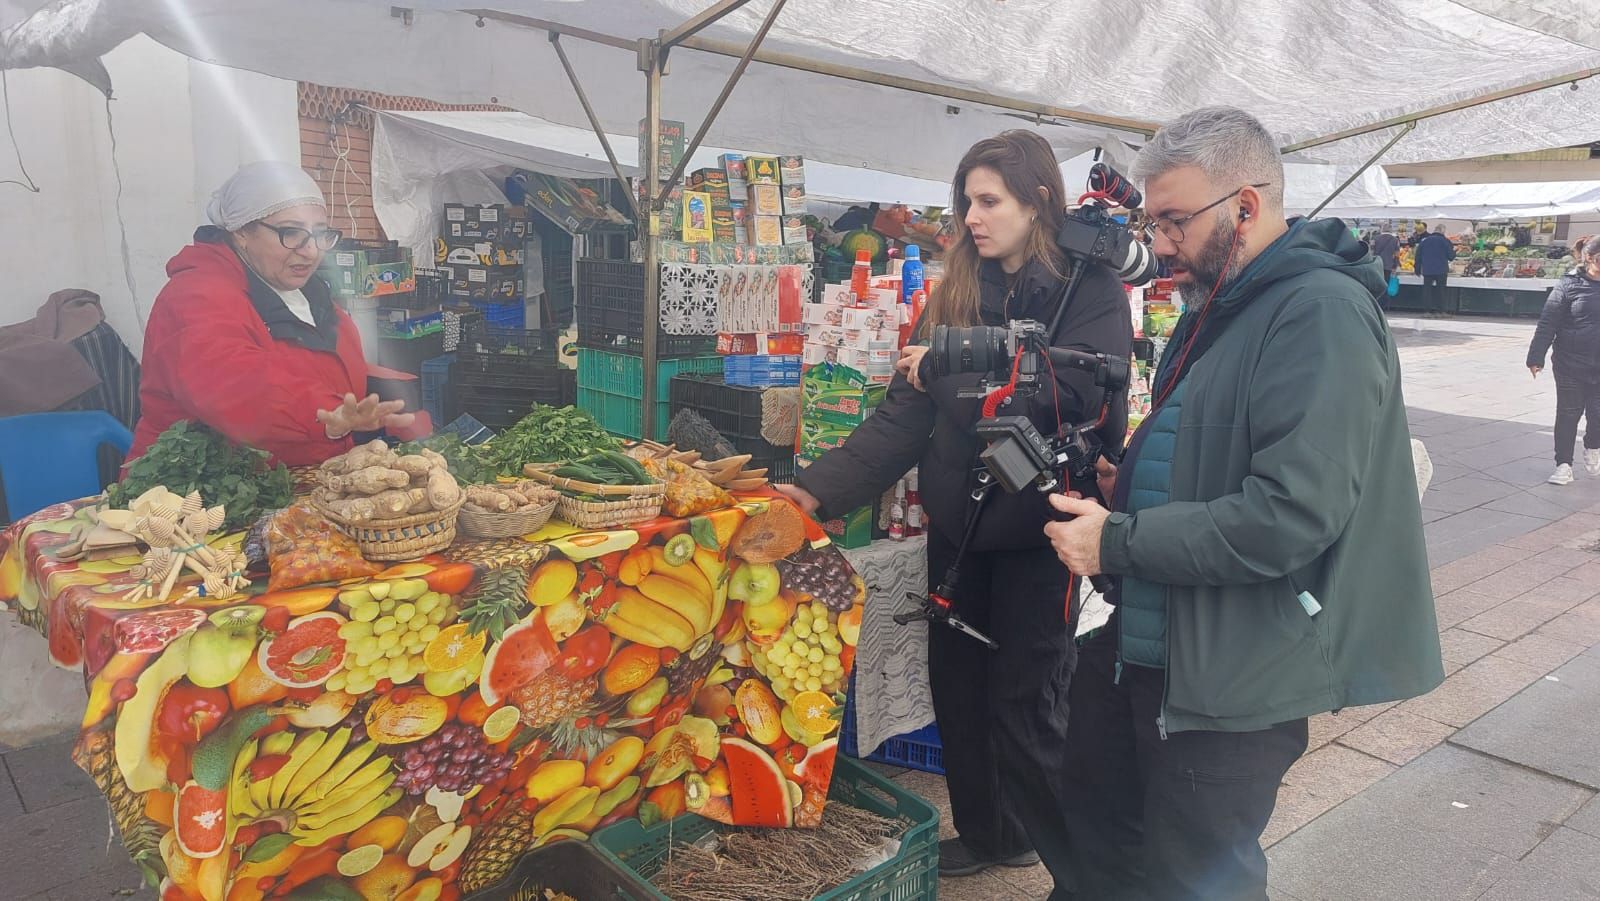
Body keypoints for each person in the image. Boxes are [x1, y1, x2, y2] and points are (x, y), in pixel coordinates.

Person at [1044, 107, 1443, 901]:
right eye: (1151, 220)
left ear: (1247, 206)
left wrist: (1116, 543)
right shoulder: (1228, 303)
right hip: (1156, 646)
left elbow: (1292, 512)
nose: (1157, 244)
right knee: (1103, 851)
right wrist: (1138, 482)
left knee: (1198, 879)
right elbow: (1216, 449)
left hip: (1229, 676)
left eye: (1173, 221)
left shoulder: (1319, 311)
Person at [776, 130, 1131, 888]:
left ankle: (1074, 864)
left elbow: (1074, 396)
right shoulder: (955, 288)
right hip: (960, 530)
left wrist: (949, 362)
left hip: (1046, 538)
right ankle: (989, 830)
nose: (972, 215)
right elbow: (903, 415)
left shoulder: (1089, 291)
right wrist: (818, 488)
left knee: (1027, 702)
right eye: (966, 199)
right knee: (960, 686)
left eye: (989, 200)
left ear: (1038, 202)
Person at [130, 161, 417, 466]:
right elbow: (236, 384)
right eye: (291, 233)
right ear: (241, 231)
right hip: (193, 493)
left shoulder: (305, 291)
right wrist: (324, 414)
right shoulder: (195, 295)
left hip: (301, 477)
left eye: (320, 234)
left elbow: (324, 366)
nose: (310, 251)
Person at [1527, 235, 1600, 486]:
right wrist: (1536, 356)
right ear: (1589, 258)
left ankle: (1592, 446)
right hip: (1570, 362)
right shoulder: (1569, 285)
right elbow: (1548, 321)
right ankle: (1563, 465)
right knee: (1568, 414)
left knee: (1598, 414)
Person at [1414, 224, 1457, 311]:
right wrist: (1455, 251)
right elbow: (1451, 257)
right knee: (1441, 290)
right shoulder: (1445, 241)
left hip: (1427, 269)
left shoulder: (1424, 241)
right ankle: (1441, 310)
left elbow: (1417, 256)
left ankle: (1427, 311)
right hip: (1441, 269)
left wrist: (1417, 269)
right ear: (1442, 231)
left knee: (1427, 291)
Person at [1373, 229, 1400, 309]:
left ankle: (1376, 303)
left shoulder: (1375, 238)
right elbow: (1397, 254)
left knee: (1377, 285)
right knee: (1386, 285)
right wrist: (1395, 265)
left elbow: (1371, 251)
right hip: (1388, 265)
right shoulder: (1395, 240)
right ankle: (1385, 305)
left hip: (1377, 265)